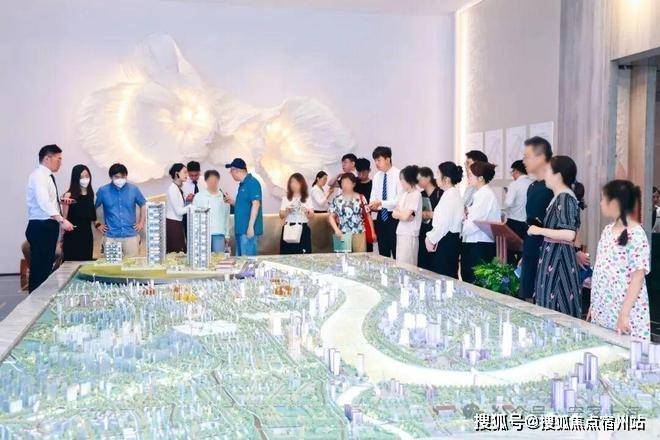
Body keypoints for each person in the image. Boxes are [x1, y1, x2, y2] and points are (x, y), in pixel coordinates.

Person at [589, 180, 650, 341]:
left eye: (603, 199)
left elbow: (638, 278)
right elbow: (600, 269)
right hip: (604, 309)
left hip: (625, 311)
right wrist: (594, 304)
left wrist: (624, 314)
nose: (600, 203)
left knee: (625, 351)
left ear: (615, 203)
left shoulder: (637, 234)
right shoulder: (607, 231)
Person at [527, 156, 584, 318]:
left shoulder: (565, 198)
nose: (545, 175)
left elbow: (569, 233)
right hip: (553, 257)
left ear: (558, 175)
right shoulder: (559, 197)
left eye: (548, 171)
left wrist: (539, 230)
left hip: (559, 260)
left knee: (557, 308)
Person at [25, 145, 74, 292]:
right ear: (47, 158)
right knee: (40, 269)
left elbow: (48, 201)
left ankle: (41, 298)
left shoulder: (46, 176)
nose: (60, 163)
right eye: (58, 159)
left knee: (45, 267)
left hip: (47, 226)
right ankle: (35, 301)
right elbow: (43, 202)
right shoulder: (39, 176)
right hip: (41, 226)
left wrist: (59, 203)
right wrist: (62, 220)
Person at [520, 136, 554, 301]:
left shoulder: (554, 186)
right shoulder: (532, 186)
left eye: (526, 157)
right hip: (531, 248)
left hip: (548, 252)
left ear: (540, 158)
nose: (523, 161)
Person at [95, 163, 146, 258]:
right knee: (112, 266)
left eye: (123, 177)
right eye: (117, 177)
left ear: (126, 176)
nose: (120, 179)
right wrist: (97, 223)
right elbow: (92, 207)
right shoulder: (103, 191)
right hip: (111, 236)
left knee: (132, 264)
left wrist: (141, 223)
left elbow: (143, 204)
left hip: (130, 235)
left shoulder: (134, 189)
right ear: (111, 177)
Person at [461, 161, 501, 283]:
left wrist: (465, 219)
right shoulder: (480, 194)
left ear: (481, 178)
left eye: (470, 175)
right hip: (475, 243)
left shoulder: (485, 195)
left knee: (475, 282)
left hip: (479, 244)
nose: (468, 178)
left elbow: (472, 224)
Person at [425, 162, 463, 278]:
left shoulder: (450, 196)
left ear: (446, 179)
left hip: (447, 241)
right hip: (449, 239)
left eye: (438, 174)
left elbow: (443, 224)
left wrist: (430, 238)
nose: (436, 177)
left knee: (443, 275)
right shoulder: (450, 194)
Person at [224, 158, 263, 256]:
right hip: (241, 230)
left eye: (231, 170)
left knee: (248, 261)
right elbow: (245, 205)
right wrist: (233, 202)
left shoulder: (252, 182)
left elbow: (256, 204)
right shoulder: (242, 185)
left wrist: (250, 226)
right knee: (241, 260)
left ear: (237, 170)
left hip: (247, 231)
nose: (230, 173)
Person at [369, 146, 402, 258]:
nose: (376, 163)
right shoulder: (377, 176)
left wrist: (381, 203)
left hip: (394, 217)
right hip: (380, 217)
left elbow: (399, 200)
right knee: (383, 252)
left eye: (379, 160)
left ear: (387, 159)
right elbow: (373, 198)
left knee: (396, 251)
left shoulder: (399, 174)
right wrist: (373, 204)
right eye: (375, 161)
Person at [61, 164, 96, 261]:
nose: (85, 179)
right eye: (81, 177)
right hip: (72, 235)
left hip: (87, 236)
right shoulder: (68, 195)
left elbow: (92, 217)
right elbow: (64, 218)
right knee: (71, 263)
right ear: (76, 178)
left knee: (86, 263)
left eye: (87, 176)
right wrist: (61, 239)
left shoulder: (90, 195)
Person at [193, 170, 231, 253]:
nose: (213, 183)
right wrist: (195, 234)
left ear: (218, 181)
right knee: (204, 258)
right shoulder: (199, 196)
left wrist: (227, 235)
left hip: (219, 233)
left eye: (215, 181)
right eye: (210, 181)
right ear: (206, 181)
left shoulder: (224, 198)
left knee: (219, 258)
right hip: (203, 234)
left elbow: (226, 216)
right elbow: (194, 217)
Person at [328, 173, 367, 252]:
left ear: (353, 184)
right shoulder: (337, 199)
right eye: (343, 183)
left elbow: (367, 214)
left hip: (359, 232)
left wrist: (372, 232)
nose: (345, 185)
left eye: (347, 183)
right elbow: (331, 216)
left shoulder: (361, 197)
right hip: (342, 232)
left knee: (360, 257)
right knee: (342, 257)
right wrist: (336, 229)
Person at [393, 166, 422, 265]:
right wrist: (402, 214)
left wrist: (401, 214)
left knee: (407, 264)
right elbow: (394, 213)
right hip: (401, 232)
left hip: (410, 234)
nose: (401, 182)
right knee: (400, 262)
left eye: (402, 179)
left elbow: (405, 216)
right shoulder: (404, 194)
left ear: (409, 179)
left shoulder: (416, 194)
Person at [279, 173, 314, 254]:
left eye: (296, 182)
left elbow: (312, 215)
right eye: (292, 182)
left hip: (303, 229)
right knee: (287, 254)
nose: (294, 185)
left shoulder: (307, 198)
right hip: (289, 228)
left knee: (303, 255)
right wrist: (287, 211)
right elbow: (281, 215)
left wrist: (306, 211)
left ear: (302, 184)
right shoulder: (286, 198)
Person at [417, 166, 443, 270]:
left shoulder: (440, 193)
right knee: (422, 264)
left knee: (434, 264)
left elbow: (443, 215)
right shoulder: (420, 195)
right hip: (422, 232)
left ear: (428, 178)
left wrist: (429, 214)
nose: (417, 181)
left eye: (419, 178)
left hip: (436, 233)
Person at [504, 160, 532, 240]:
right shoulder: (532, 183)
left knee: (512, 247)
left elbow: (508, 203)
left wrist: (507, 195)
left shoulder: (514, 184)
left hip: (514, 223)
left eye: (512, 172)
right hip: (527, 223)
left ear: (516, 171)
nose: (512, 174)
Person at [165, 163, 188, 253]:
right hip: (173, 224)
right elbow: (179, 211)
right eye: (184, 172)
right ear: (176, 174)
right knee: (177, 254)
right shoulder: (172, 189)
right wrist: (192, 206)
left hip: (177, 223)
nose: (187, 175)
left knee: (179, 252)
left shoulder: (177, 188)